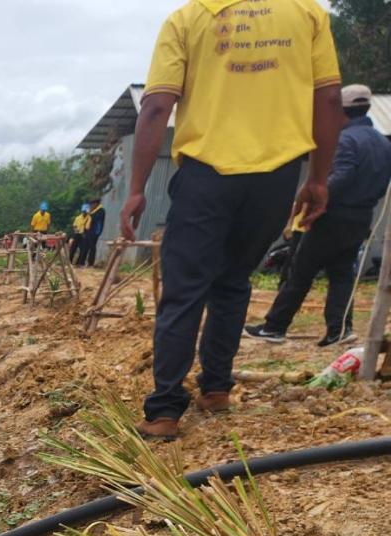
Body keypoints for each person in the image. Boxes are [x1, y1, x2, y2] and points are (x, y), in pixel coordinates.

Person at [123, 0, 345, 439]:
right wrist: (318, 178)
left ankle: (165, 410)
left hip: (207, 174)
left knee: (185, 289)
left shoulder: (187, 19)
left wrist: (136, 188)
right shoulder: (305, 13)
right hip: (276, 175)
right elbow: (330, 98)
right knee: (234, 279)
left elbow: (155, 107)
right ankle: (216, 388)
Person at [245, 84, 391, 347]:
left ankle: (275, 327)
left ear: (341, 112)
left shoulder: (345, 140)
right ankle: (339, 329)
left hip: (332, 215)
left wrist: (315, 193)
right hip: (361, 217)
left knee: (300, 270)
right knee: (342, 273)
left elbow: (342, 175)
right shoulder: (382, 142)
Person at [84, 199, 106, 267]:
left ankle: (91, 263)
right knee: (86, 246)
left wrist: (90, 213)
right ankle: (84, 262)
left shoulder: (101, 210)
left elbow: (95, 219)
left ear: (96, 204)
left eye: (92, 204)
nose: (91, 206)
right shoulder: (93, 211)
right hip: (89, 230)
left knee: (92, 247)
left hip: (95, 231)